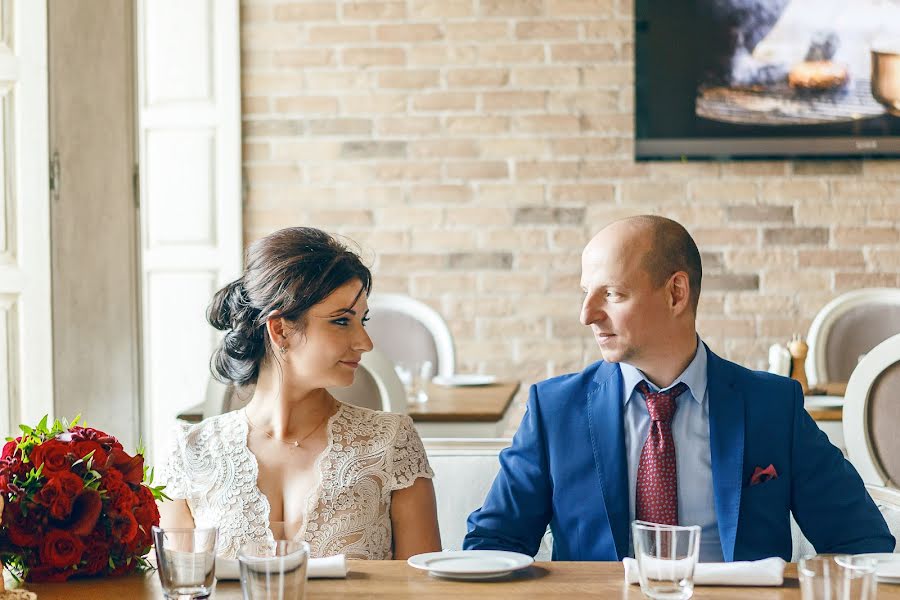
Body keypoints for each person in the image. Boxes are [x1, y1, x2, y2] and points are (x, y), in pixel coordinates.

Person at [464, 215, 894, 562]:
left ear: (676, 293)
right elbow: (491, 546)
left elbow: (862, 542)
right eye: (585, 293)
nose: (587, 315)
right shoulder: (554, 410)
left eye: (612, 294)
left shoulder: (772, 406)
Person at [159, 227, 441, 560]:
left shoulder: (392, 441)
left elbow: (424, 590)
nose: (365, 342)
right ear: (280, 329)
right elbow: (176, 589)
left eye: (362, 320)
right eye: (341, 321)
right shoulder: (190, 453)